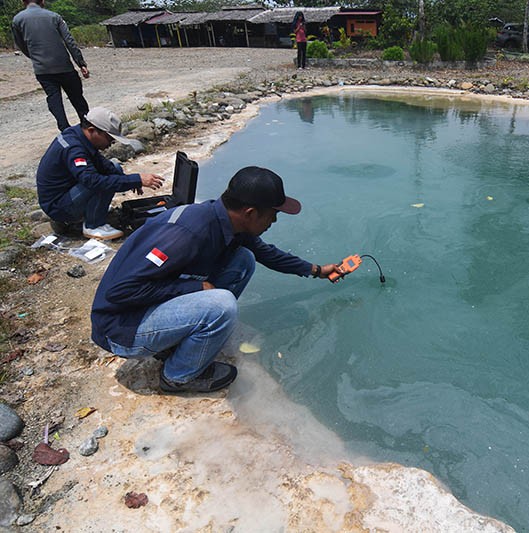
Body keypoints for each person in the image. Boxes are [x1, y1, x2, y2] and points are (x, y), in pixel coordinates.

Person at [90, 166, 346, 393]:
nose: (274, 220)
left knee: (243, 259)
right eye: (272, 214)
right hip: (121, 331)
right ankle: (177, 377)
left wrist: (316, 270)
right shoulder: (187, 234)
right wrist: (194, 287)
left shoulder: (223, 220)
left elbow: (266, 254)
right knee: (221, 305)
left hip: (140, 312)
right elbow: (120, 291)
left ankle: (186, 341)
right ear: (250, 212)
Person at [37, 107, 164, 240]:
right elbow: (92, 181)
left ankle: (93, 212)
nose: (111, 143)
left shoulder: (77, 134)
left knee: (115, 168)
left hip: (67, 194)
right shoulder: (74, 149)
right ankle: (93, 226)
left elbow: (103, 164)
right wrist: (136, 180)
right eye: (109, 138)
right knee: (100, 181)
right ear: (92, 131)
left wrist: (130, 180)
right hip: (59, 207)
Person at [12, 0, 91, 132]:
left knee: (54, 98)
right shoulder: (54, 16)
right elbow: (69, 41)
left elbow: (21, 45)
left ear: (22, 2)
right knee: (77, 98)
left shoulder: (17, 20)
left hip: (42, 69)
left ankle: (65, 129)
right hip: (64, 66)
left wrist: (35, 57)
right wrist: (81, 63)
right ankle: (88, 126)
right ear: (42, 1)